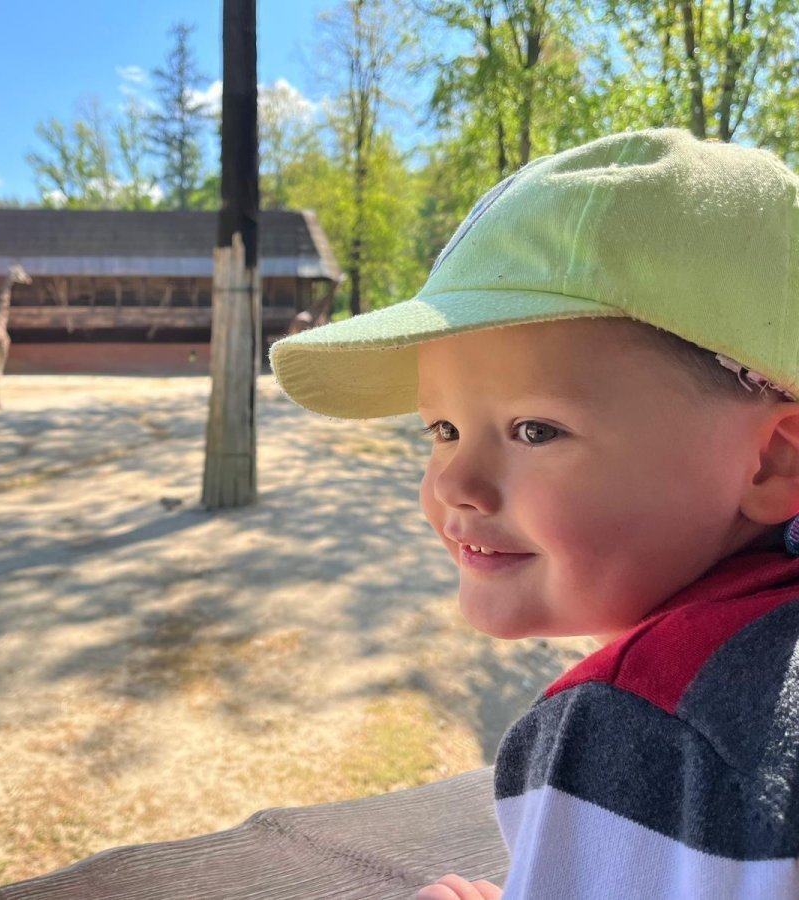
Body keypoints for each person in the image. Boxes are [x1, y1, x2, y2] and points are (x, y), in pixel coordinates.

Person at [269, 128, 799, 899]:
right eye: (442, 429)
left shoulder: (640, 737)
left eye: (535, 430)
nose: (457, 483)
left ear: (774, 461)